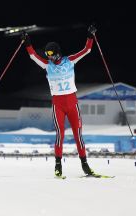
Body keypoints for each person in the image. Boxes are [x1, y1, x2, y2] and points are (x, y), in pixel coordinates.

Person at [21, 25, 97, 177]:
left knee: (78, 135)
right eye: (47, 53)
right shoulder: (47, 65)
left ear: (56, 53)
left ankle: (85, 165)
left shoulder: (69, 61)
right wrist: (27, 42)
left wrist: (90, 36)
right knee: (60, 134)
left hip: (72, 102)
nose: (48, 56)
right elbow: (33, 55)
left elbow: (86, 50)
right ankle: (58, 166)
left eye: (50, 53)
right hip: (58, 105)